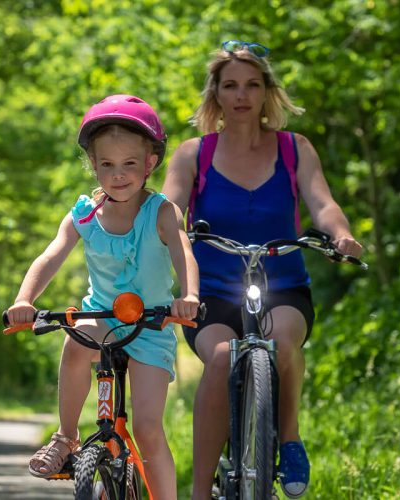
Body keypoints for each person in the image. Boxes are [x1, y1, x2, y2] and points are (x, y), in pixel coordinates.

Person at [160, 41, 364, 499]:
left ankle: (288, 439)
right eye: (230, 85)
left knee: (283, 344)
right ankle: (199, 491)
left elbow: (322, 202)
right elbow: (170, 207)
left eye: (252, 85)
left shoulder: (295, 149)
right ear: (215, 94)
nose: (241, 95)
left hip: (284, 286)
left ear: (267, 91)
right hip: (209, 292)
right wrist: (168, 227)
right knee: (219, 359)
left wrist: (341, 234)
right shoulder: (194, 154)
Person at [5, 95, 199, 500]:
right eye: (107, 164)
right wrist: (25, 299)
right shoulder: (84, 215)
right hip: (104, 316)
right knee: (77, 336)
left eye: (130, 163)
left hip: (152, 325)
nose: (118, 175)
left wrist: (189, 295)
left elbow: (183, 253)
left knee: (147, 427)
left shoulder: (161, 212)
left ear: (150, 163)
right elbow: (51, 255)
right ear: (93, 165)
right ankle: (66, 436)